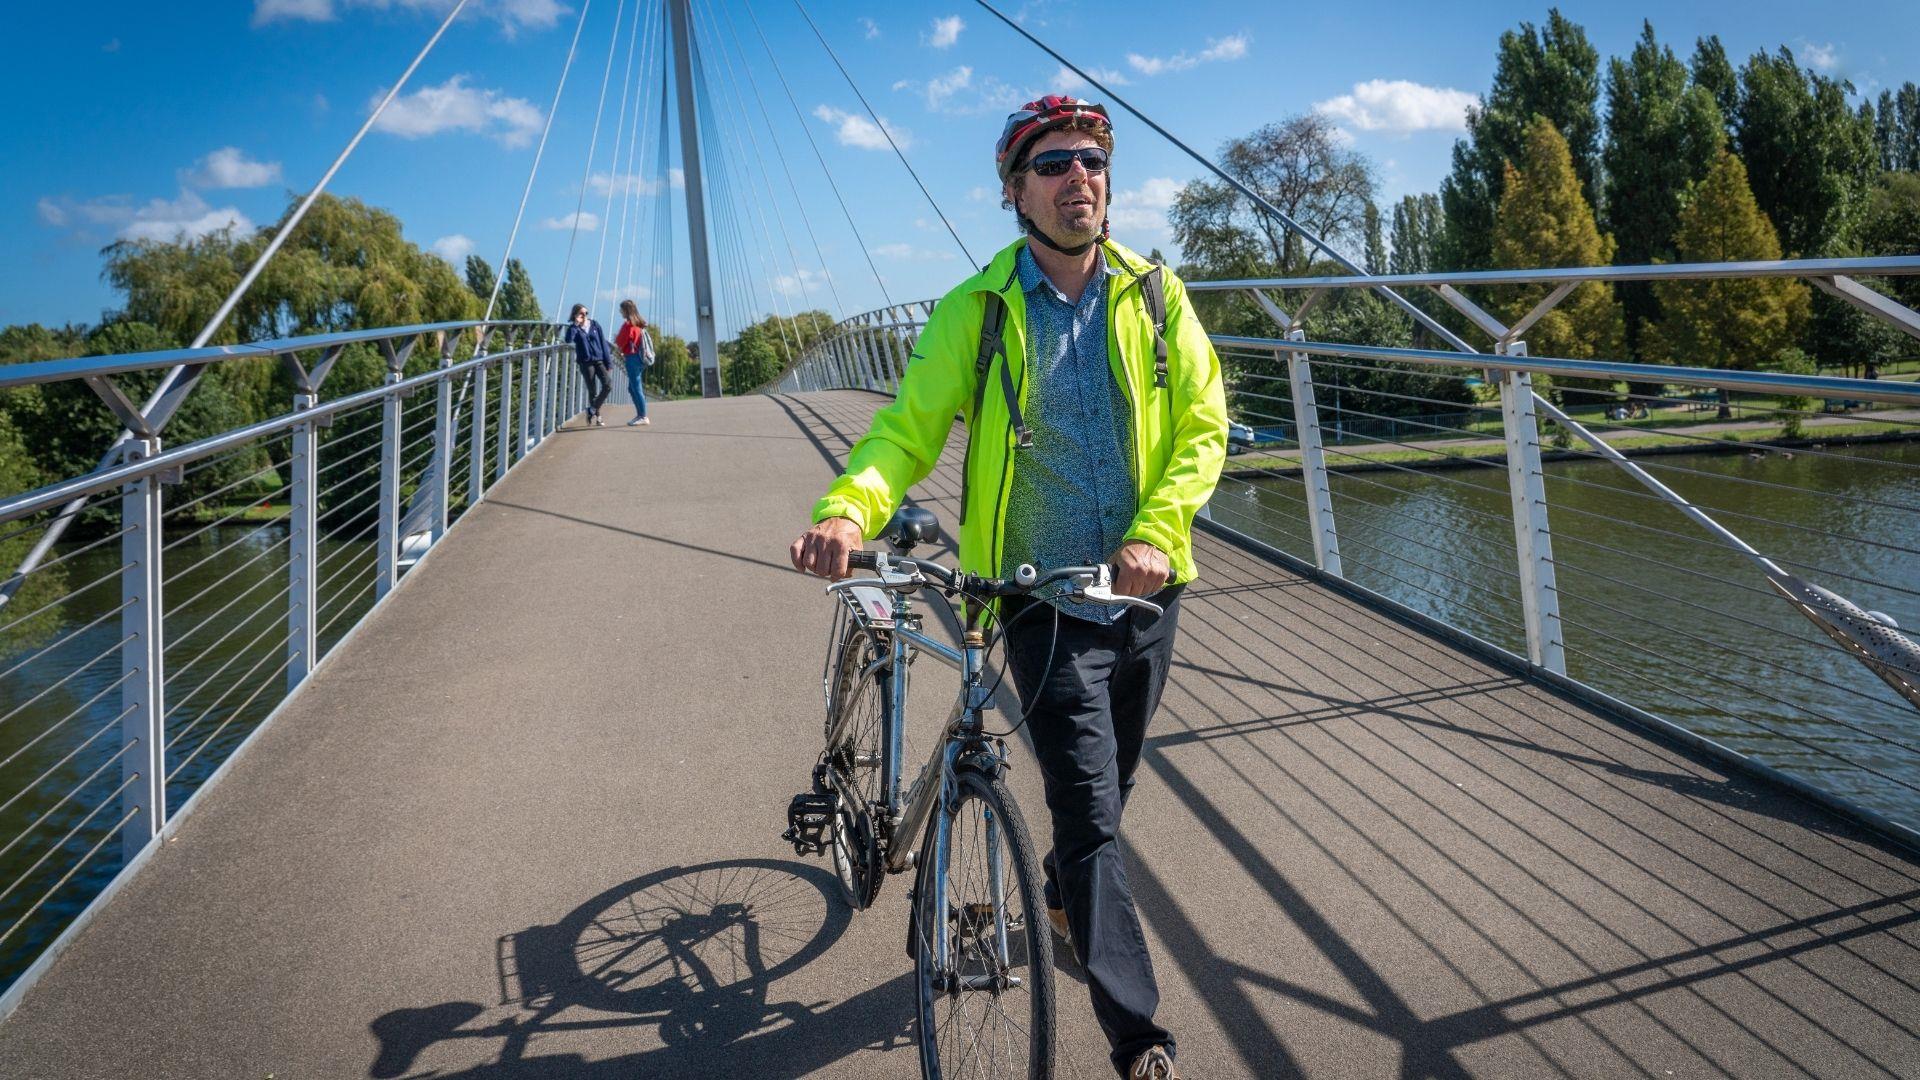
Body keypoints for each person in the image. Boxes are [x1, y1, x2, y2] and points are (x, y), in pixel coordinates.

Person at [788, 95, 1226, 1080]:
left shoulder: (1156, 296)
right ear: (1015, 190)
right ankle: (1139, 1039)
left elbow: (1204, 423)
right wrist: (847, 510)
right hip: (1036, 599)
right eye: (1058, 162)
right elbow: (905, 429)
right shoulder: (977, 311)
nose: (1083, 179)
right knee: (1091, 812)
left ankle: (1065, 895)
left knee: (1107, 789)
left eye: (1096, 162)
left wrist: (1158, 534)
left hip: (1149, 592)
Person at [564, 302, 614, 426]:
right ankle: (598, 417)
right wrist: (575, 324)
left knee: (608, 385)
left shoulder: (595, 325)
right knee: (592, 390)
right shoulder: (573, 328)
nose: (584, 315)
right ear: (575, 315)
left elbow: (603, 343)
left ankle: (591, 409)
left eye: (586, 313)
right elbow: (568, 340)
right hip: (586, 363)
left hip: (599, 360)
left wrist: (609, 363)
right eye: (581, 313)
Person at [614, 299, 654, 426]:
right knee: (632, 388)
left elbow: (619, 341)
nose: (620, 312)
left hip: (632, 359)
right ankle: (640, 415)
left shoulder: (628, 326)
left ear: (626, 310)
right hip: (640, 358)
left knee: (636, 388)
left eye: (621, 309)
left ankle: (643, 416)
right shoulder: (639, 325)